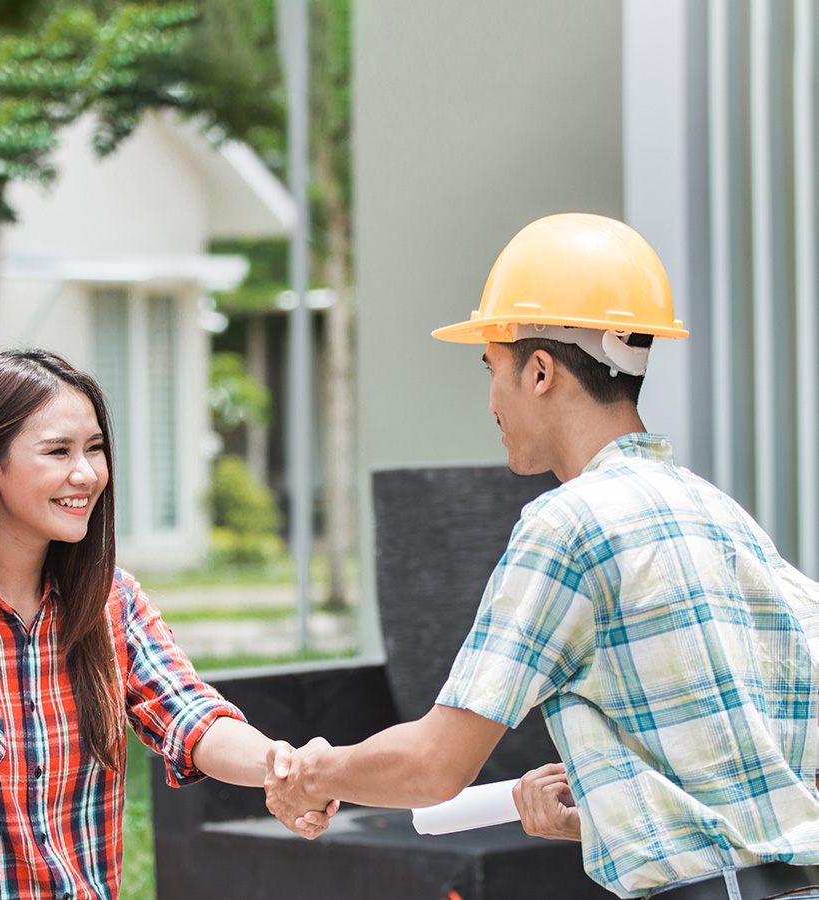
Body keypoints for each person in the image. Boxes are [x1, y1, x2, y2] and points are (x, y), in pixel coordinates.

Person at [262, 213, 819, 900]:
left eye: (492, 367)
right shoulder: (724, 517)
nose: (491, 399)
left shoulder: (568, 525)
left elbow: (435, 766)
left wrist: (318, 772)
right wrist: (611, 815)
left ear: (542, 371)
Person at [0, 349, 336, 900]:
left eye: (95, 449)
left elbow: (188, 715)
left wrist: (278, 764)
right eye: (58, 451)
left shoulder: (109, 601)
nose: (87, 473)